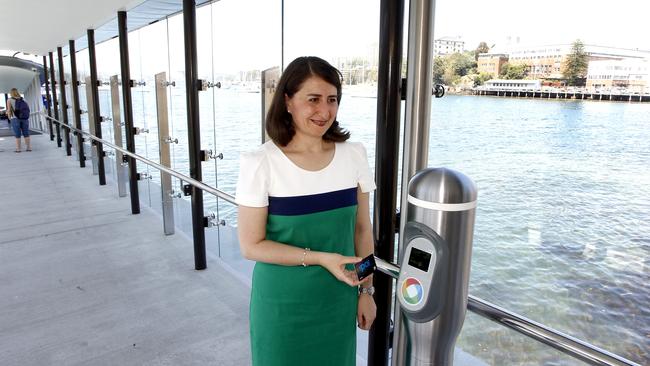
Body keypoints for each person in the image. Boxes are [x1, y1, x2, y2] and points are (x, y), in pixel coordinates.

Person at [236, 56, 377, 366]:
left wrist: (367, 290)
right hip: (281, 307)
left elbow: (362, 230)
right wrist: (319, 258)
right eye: (312, 99)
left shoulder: (354, 155)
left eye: (332, 100)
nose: (324, 111)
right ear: (288, 101)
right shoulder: (261, 162)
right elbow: (250, 245)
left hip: (338, 299)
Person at [7, 88, 31, 152]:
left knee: (17, 134)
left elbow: (9, 110)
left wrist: (9, 117)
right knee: (26, 133)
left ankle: (18, 149)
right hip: (24, 118)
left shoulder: (9, 100)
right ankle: (28, 148)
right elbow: (28, 108)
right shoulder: (23, 99)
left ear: (11, 93)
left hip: (15, 118)